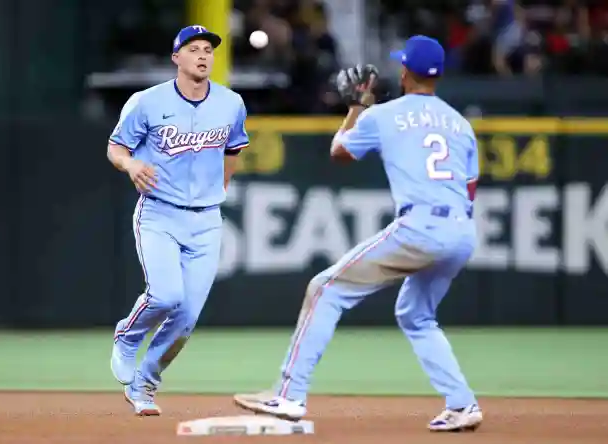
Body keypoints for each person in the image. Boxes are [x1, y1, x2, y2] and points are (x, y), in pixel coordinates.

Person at [233, 36, 483, 433]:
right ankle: (462, 404)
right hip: (461, 230)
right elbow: (469, 190)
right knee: (416, 314)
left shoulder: (385, 115)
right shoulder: (460, 123)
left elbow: (340, 151)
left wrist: (355, 108)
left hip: (420, 226)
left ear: (404, 72)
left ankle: (289, 394)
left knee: (325, 288)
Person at [107, 25, 249, 416]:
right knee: (166, 295)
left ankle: (145, 385)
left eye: (208, 49)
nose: (203, 55)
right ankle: (127, 336)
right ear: (177, 58)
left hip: (206, 221)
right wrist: (131, 162)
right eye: (193, 49)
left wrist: (219, 185)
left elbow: (234, 147)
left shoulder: (231, 103)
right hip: (159, 213)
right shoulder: (147, 102)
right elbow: (116, 146)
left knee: (186, 319)